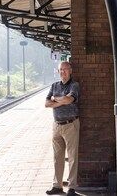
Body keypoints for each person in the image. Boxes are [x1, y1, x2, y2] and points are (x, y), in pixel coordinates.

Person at [45, 61, 80, 196]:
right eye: (60, 70)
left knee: (72, 157)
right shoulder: (54, 85)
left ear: (70, 70)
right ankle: (57, 186)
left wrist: (56, 99)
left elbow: (69, 100)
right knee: (57, 157)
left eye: (65, 69)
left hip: (71, 125)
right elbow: (47, 104)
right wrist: (61, 100)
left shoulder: (74, 85)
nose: (63, 72)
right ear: (58, 71)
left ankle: (71, 188)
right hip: (56, 126)